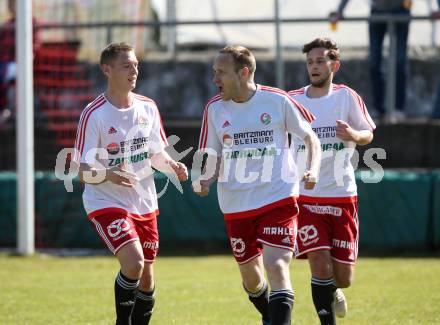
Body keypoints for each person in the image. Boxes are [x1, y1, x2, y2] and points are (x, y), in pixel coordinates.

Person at [193, 45, 321, 325]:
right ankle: (271, 317)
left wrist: (311, 169)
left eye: (221, 73)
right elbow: (212, 156)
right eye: (214, 72)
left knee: (277, 267)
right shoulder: (214, 109)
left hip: (278, 197)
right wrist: (205, 180)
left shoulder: (277, 100)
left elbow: (311, 138)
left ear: (244, 72)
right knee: (252, 281)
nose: (215, 79)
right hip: (236, 204)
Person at [73, 42, 188, 325]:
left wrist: (172, 166)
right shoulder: (94, 113)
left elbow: (156, 153)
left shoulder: (148, 107)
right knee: (134, 262)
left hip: (143, 200)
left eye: (136, 64)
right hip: (105, 201)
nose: (134, 69)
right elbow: (81, 171)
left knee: (147, 279)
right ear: (106, 70)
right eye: (126, 65)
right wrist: (110, 174)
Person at [288, 38, 375, 325]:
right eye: (310, 62)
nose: (314, 66)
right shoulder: (293, 100)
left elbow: (368, 134)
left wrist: (354, 135)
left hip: (342, 194)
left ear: (334, 65)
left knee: (343, 278)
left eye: (320, 61)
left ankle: (334, 291)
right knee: (319, 262)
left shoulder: (346, 97)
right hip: (307, 195)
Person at [330, 0, 412, 121]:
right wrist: (339, 10)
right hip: (377, 11)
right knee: (374, 63)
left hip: (400, 9)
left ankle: (399, 108)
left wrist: (433, 8)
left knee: (399, 62)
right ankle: (378, 108)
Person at [0, 0, 41, 123]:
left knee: (4, 73)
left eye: (14, 3)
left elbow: (34, 47)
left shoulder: (32, 23)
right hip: (6, 63)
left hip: (20, 64)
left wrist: (27, 59)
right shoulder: (7, 25)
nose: (11, 6)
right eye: (10, 3)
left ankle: (4, 109)